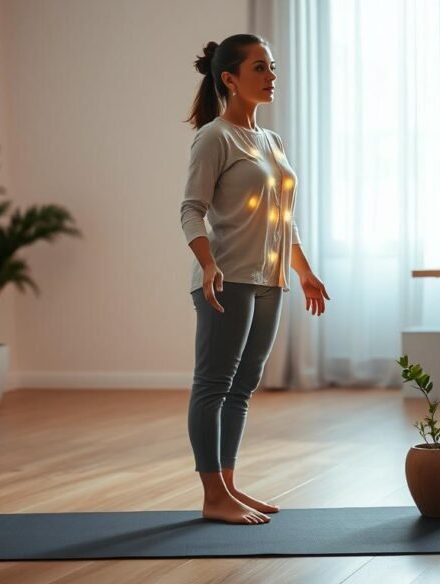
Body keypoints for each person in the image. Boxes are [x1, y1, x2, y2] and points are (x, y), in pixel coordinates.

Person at [180, 34, 330, 525]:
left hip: (270, 279)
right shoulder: (214, 137)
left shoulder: (272, 141)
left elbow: (283, 217)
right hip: (227, 279)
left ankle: (228, 486)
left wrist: (303, 270)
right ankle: (213, 496)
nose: (271, 76)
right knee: (214, 384)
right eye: (260, 68)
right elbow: (191, 210)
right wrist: (208, 264)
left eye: (272, 66)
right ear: (229, 79)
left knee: (243, 385)